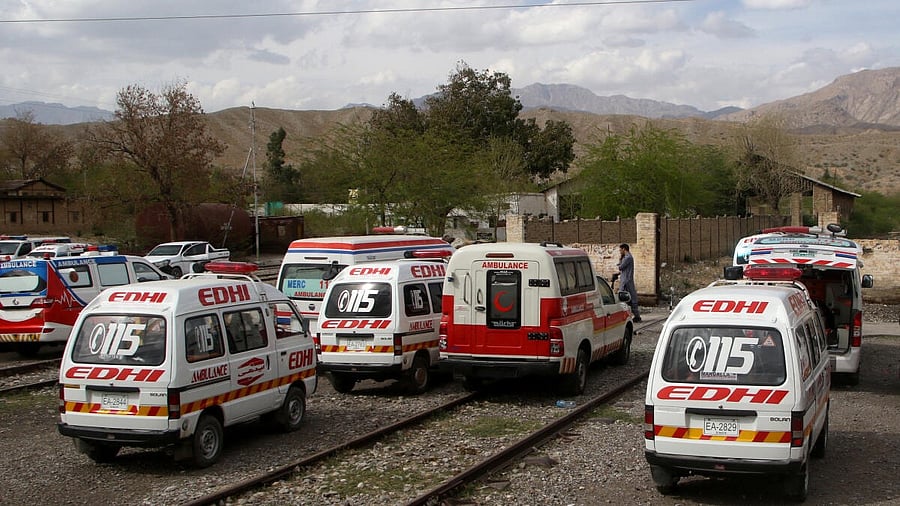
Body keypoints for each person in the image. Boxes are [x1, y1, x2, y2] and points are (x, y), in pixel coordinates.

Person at [615, 243, 641, 322]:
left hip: (626, 281)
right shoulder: (627, 257)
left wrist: (620, 261)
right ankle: (633, 315)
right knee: (628, 298)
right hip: (626, 280)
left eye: (620, 250)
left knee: (626, 297)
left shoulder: (628, 258)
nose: (620, 251)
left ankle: (636, 316)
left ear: (624, 249)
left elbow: (621, 267)